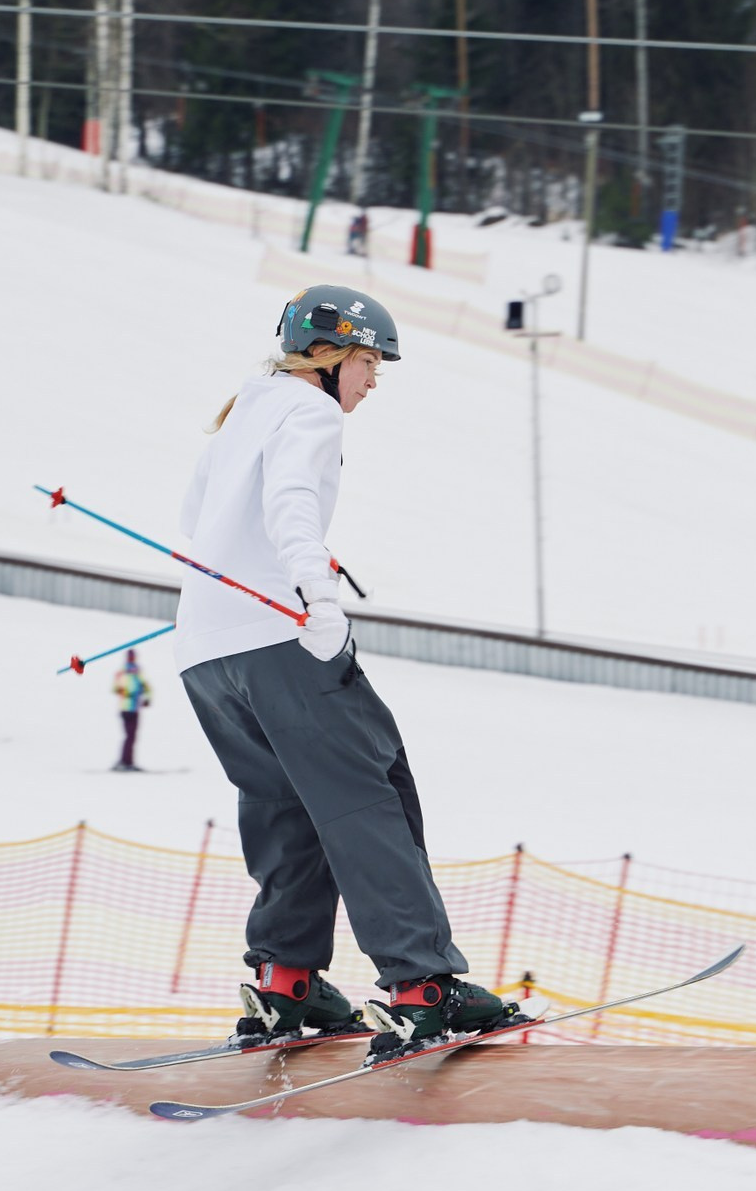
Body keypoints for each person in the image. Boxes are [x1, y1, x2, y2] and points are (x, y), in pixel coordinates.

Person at [181, 285, 525, 1060]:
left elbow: (194, 521)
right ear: (330, 357)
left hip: (204, 649)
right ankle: (421, 985)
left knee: (285, 807)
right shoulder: (309, 411)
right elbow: (292, 501)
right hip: (282, 638)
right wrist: (315, 589)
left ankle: (286, 982)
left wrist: (272, 565)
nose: (373, 380)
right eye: (370, 361)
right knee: (369, 793)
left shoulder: (241, 415)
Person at [111, 649, 151, 771]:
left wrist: (146, 698)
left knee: (131, 736)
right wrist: (127, 692)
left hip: (133, 708)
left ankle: (127, 761)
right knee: (129, 735)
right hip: (127, 708)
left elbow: (146, 687)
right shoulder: (125, 672)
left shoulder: (135, 672)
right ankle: (125, 761)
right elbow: (116, 689)